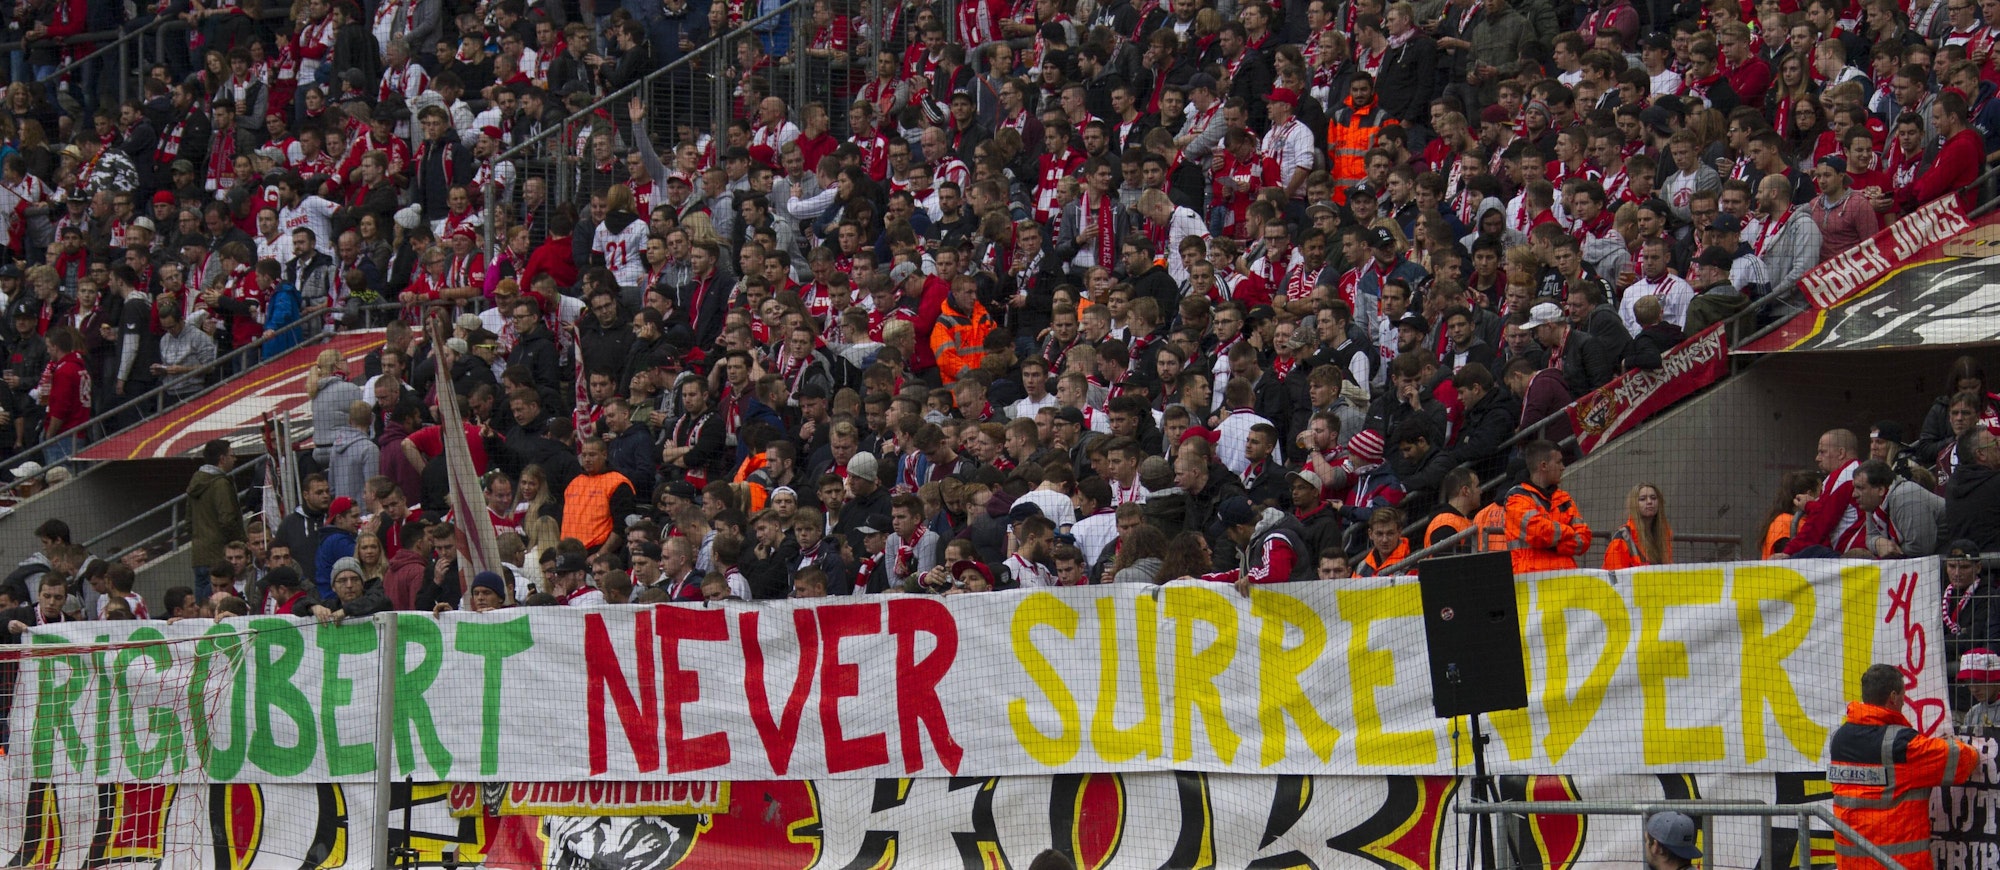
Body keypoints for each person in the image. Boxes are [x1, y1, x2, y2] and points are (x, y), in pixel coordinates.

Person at [1827, 663, 1978, 869]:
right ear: (1893, 697)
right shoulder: (1900, 745)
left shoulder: (1839, 738)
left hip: (1852, 864)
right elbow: (1964, 759)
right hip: (1897, 864)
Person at [1501, 440, 1592, 572]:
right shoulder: (1516, 497)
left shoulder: (1564, 498)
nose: (1563, 467)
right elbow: (1538, 532)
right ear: (1543, 466)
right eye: (1559, 462)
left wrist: (1553, 545)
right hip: (1532, 579)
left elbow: (1584, 539)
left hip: (1566, 579)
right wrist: (1569, 532)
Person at [187, 439, 245, 603]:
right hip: (218, 558)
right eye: (232, 455)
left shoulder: (194, 482)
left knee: (204, 611)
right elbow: (227, 520)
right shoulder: (220, 484)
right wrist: (239, 544)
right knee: (222, 607)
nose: (235, 459)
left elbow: (188, 523)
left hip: (198, 557)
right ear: (222, 459)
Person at [1603, 483, 1672, 569]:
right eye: (1642, 499)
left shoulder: (1663, 537)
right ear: (1634, 505)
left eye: (1653, 498)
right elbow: (1615, 578)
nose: (1649, 502)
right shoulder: (1621, 541)